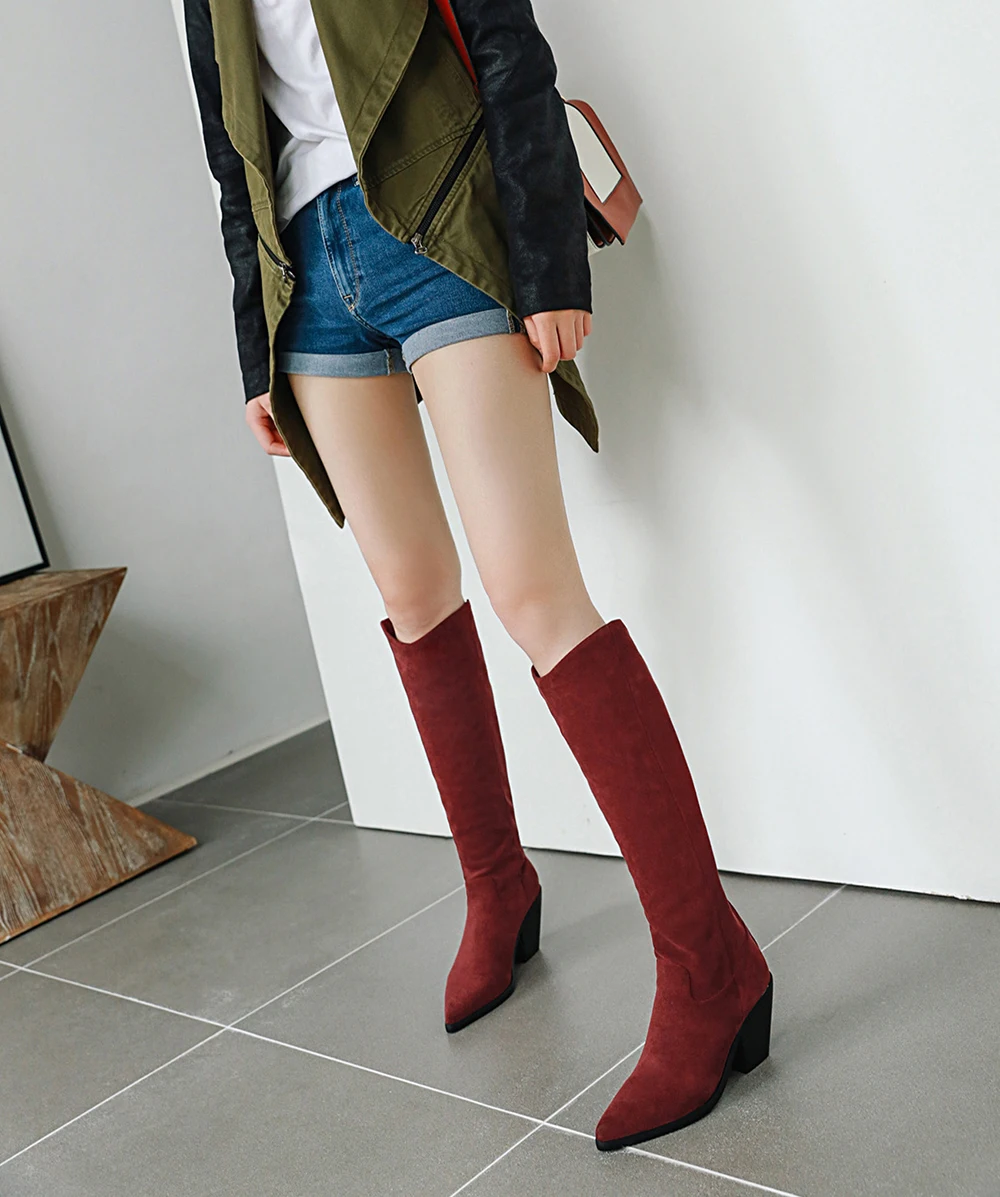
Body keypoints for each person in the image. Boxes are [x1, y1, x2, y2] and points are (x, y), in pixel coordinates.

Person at [183, 0, 773, 1152]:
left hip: (438, 222)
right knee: (410, 592)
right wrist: (257, 343)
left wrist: (548, 262)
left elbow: (506, 46)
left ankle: (711, 967)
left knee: (532, 591)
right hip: (307, 270)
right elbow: (230, 146)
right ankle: (497, 886)